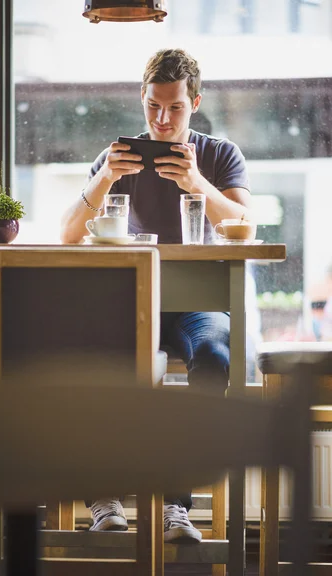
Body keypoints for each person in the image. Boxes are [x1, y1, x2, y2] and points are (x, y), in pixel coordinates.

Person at [61, 48, 254, 543]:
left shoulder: (219, 155)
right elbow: (66, 235)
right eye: (153, 106)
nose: (163, 119)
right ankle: (104, 495)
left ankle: (177, 504)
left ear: (196, 102)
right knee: (93, 357)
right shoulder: (116, 157)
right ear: (141, 99)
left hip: (197, 303)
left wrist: (195, 182)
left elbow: (245, 227)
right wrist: (106, 176)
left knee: (214, 354)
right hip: (131, 298)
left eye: (175, 108)